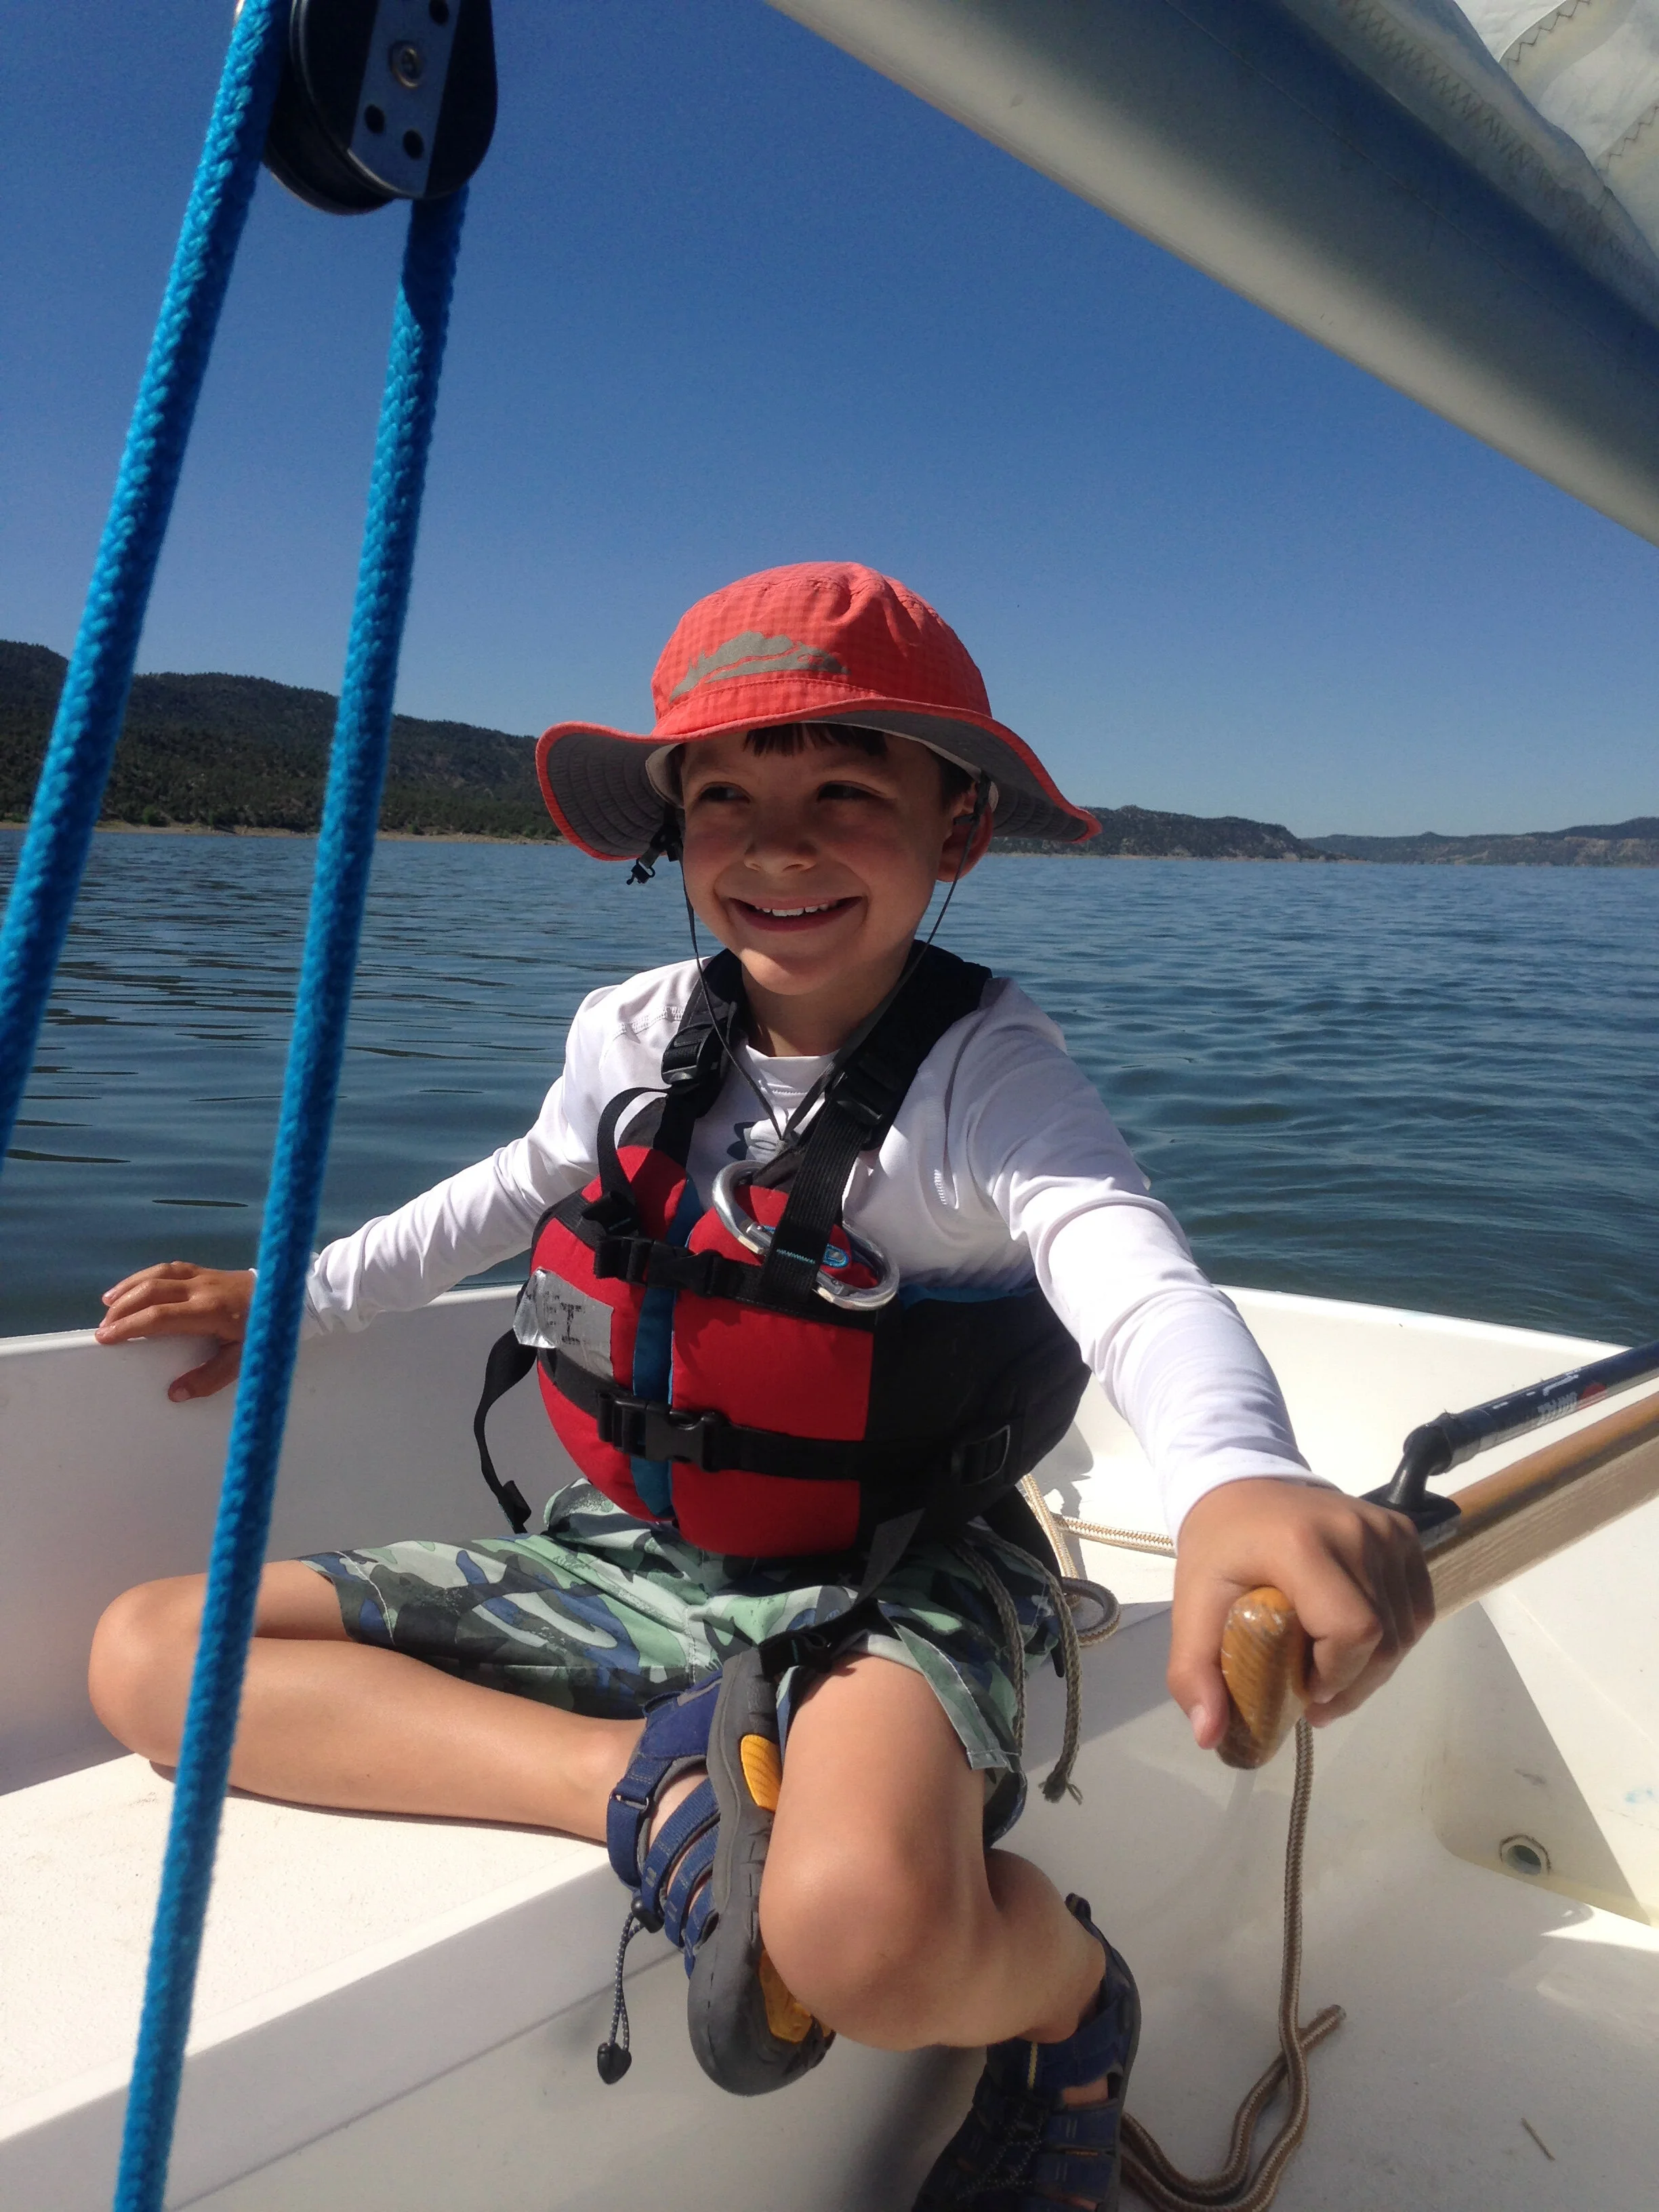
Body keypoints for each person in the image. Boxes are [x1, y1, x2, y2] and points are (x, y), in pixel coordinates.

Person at [87, 562, 1430, 2208]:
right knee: (152, 1656)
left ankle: (1072, 2006)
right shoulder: (633, 1030)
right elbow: (505, 1193)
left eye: (844, 793)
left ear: (956, 832)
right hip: (635, 1555)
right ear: (671, 838)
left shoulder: (988, 1078)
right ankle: (648, 1788)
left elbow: (1127, 1260)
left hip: (898, 1576)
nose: (778, 845)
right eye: (724, 796)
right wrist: (286, 1300)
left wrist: (1234, 1468)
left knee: (855, 1932)